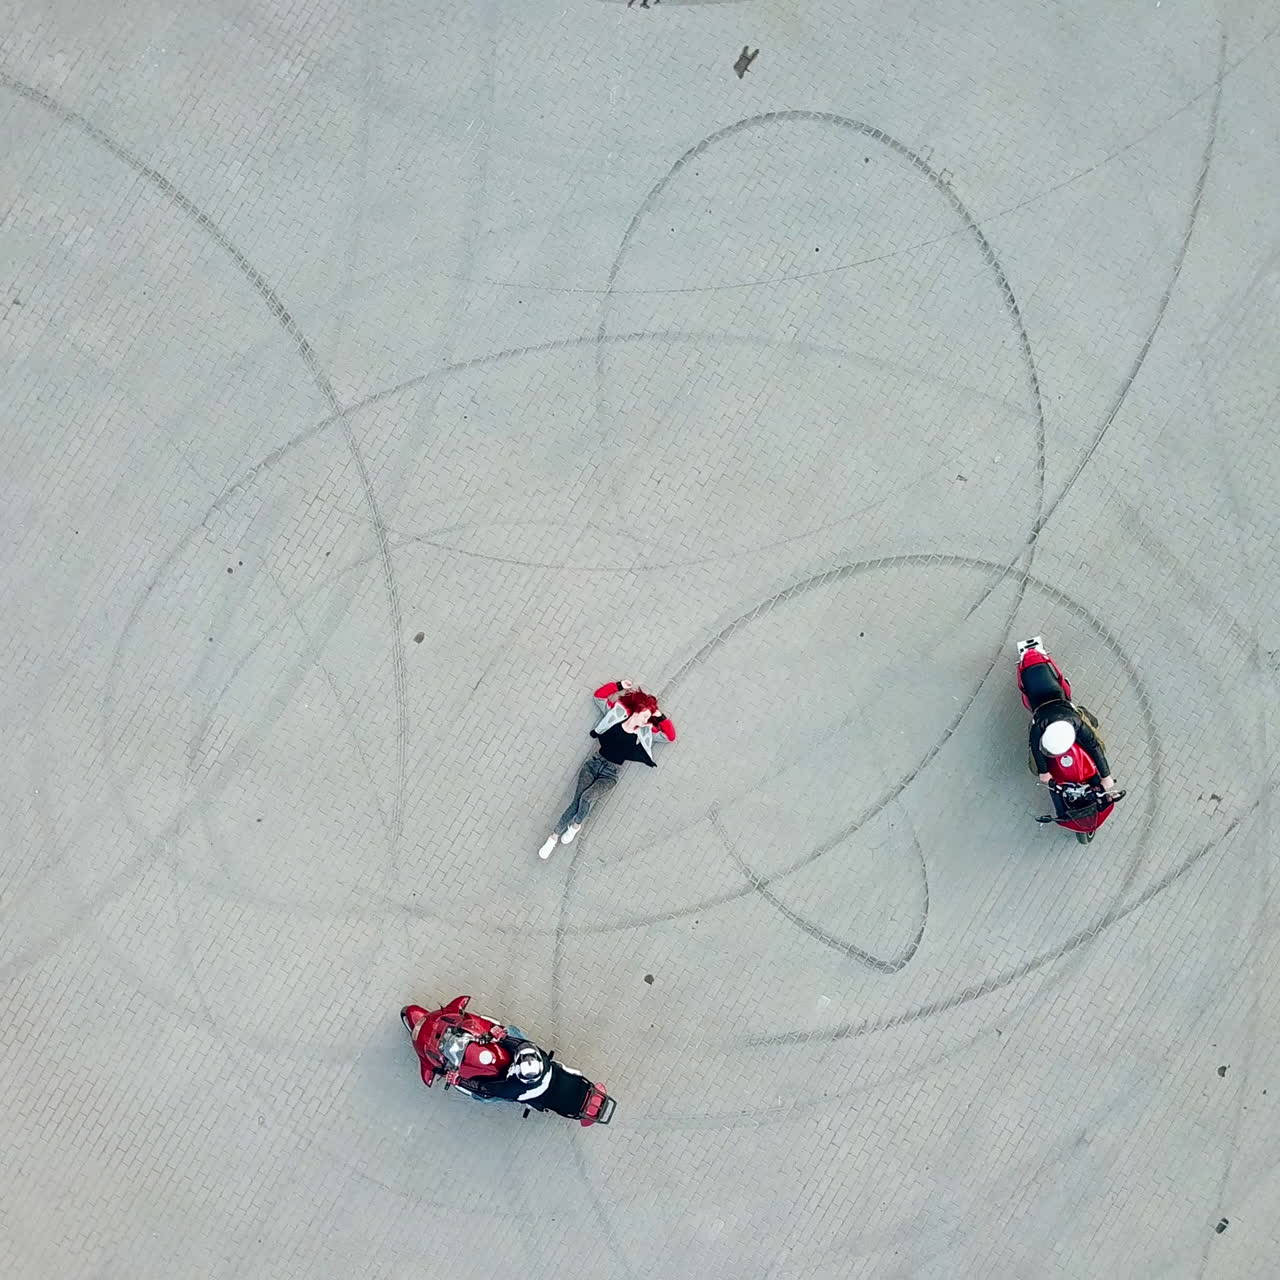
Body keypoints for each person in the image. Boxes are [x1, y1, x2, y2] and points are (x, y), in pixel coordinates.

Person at [537, 679, 676, 859]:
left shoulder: (645, 733)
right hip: (594, 763)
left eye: (649, 717)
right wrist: (618, 686)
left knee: (587, 797)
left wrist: (660, 715)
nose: (646, 720)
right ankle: (553, 838)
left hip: (610, 774)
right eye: (644, 715)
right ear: (637, 710)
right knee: (577, 800)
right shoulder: (616, 715)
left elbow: (670, 736)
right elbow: (599, 697)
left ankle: (576, 824)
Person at [1030, 701, 1120, 817]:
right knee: (1034, 767)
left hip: (1066, 713)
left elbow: (1094, 745)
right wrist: (1043, 771)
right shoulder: (1037, 727)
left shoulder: (1076, 722)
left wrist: (1106, 775)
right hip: (1044, 714)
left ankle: (1081, 712)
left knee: (1098, 742)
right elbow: (1035, 748)